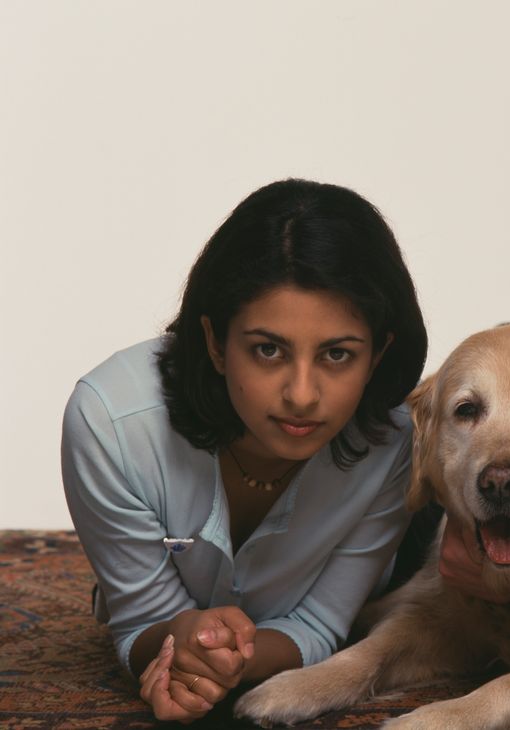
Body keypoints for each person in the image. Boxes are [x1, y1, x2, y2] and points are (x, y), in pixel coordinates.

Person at [61, 179, 428, 723]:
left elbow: (324, 623)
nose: (301, 395)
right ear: (213, 341)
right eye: (268, 349)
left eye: (337, 355)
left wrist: (218, 661)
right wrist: (179, 647)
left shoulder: (399, 442)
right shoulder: (111, 425)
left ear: (377, 356)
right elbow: (142, 622)